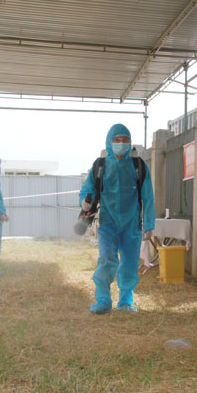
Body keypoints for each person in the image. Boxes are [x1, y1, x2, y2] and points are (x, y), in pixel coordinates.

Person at [79, 124, 155, 314]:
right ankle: (103, 300)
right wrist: (85, 202)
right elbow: (88, 188)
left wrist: (149, 223)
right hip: (108, 223)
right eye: (117, 140)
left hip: (132, 225)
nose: (121, 143)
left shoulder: (139, 166)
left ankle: (125, 302)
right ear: (109, 142)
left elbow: (148, 196)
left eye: (124, 140)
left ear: (130, 142)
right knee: (106, 259)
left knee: (129, 263)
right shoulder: (100, 165)